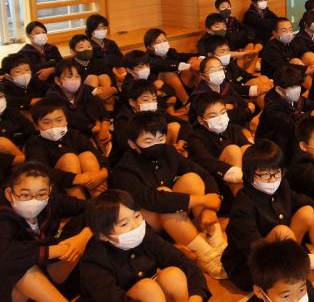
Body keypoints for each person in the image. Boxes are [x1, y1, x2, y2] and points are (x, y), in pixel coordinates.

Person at [222, 140, 314, 297]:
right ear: (249, 175)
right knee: (281, 231)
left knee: (307, 212)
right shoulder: (242, 205)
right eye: (265, 175)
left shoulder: (282, 186)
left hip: (283, 252)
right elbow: (254, 249)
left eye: (277, 172)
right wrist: (308, 262)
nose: (272, 180)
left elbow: (309, 203)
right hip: (252, 265)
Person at [110, 111, 227, 278]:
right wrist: (203, 200)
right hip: (146, 224)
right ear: (132, 144)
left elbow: (204, 175)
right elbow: (153, 200)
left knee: (192, 179)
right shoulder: (124, 169)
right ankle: (207, 257)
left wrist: (210, 207)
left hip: (176, 215)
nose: (157, 145)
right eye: (148, 141)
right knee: (164, 195)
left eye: (161, 139)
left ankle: (217, 242)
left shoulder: (169, 152)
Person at [81, 189, 210, 302]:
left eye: (137, 216)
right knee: (148, 289)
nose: (136, 226)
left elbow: (186, 264)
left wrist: (196, 298)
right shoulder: (93, 262)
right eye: (124, 224)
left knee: (173, 276)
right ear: (103, 235)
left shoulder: (145, 235)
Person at [0, 162, 91, 302]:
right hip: (12, 281)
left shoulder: (52, 200)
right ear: (9, 193)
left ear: (50, 190)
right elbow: (5, 255)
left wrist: (83, 237)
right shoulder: (4, 215)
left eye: (41, 194)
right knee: (20, 265)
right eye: (25, 195)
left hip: (45, 268)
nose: (34, 201)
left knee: (85, 221)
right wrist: (55, 250)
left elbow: (95, 207)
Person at [24, 98, 108, 199]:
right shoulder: (34, 143)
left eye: (59, 120)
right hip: (57, 189)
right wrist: (77, 178)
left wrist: (102, 174)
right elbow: (39, 170)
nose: (54, 126)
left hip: (87, 182)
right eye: (46, 122)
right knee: (69, 159)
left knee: (87, 155)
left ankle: (101, 202)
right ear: (37, 125)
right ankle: (80, 204)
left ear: (66, 120)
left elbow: (98, 155)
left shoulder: (74, 135)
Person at [247, 239, 314, 302]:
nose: (297, 300)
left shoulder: (307, 291)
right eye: (286, 296)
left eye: (301, 290)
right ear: (259, 292)